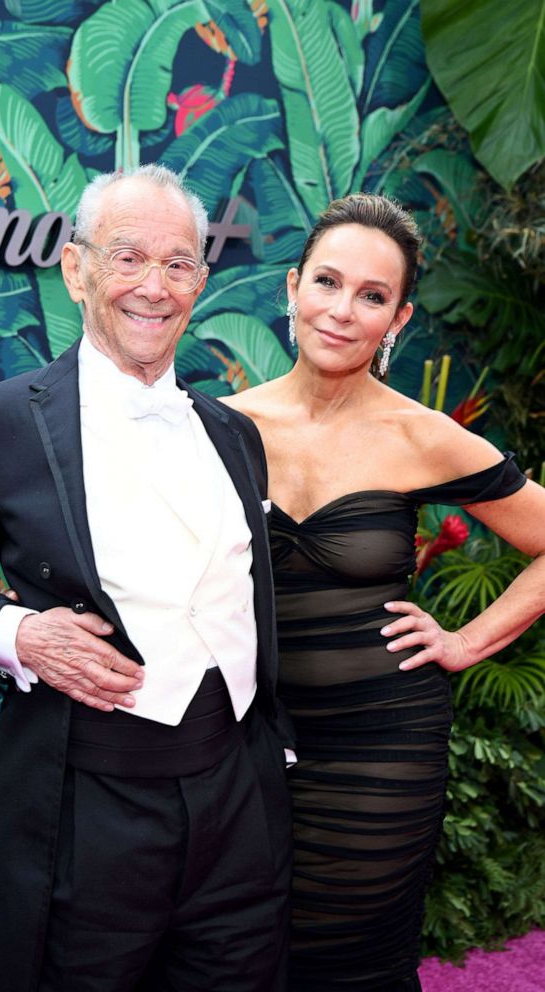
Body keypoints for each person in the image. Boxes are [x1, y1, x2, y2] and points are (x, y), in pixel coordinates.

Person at [0, 165, 293, 992]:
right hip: (88, 801)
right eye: (127, 258)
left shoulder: (233, 431)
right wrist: (21, 633)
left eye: (179, 263)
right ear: (77, 271)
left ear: (201, 280)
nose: (154, 286)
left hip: (235, 795)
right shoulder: (1, 419)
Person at [222, 193, 545, 992]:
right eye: (326, 282)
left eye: (370, 296)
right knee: (243, 957)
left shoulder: (419, 435)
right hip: (244, 743)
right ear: (291, 287)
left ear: (396, 318)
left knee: (348, 961)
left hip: (379, 746)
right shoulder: (220, 425)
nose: (341, 310)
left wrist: (466, 642)